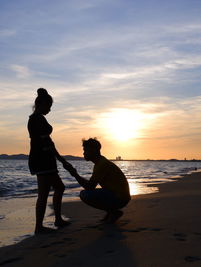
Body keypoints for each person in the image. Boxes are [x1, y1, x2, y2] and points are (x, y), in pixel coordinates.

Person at [28, 88, 71, 234]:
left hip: (43, 160)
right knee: (47, 192)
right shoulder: (36, 119)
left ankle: (54, 220)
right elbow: (46, 142)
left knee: (56, 188)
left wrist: (60, 160)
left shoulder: (37, 119)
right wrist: (62, 160)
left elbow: (48, 142)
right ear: (42, 104)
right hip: (42, 160)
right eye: (49, 107)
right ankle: (40, 226)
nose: (50, 110)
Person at [66, 138, 131, 223]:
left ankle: (113, 212)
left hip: (120, 198)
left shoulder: (101, 164)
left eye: (86, 150)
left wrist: (75, 174)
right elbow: (91, 185)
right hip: (121, 197)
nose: (84, 153)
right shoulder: (100, 163)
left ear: (95, 150)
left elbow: (89, 187)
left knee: (85, 195)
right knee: (95, 193)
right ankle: (112, 213)